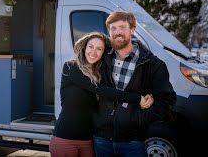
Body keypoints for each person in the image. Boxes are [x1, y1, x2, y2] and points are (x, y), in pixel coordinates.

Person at [49, 32, 154, 157]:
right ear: (84, 47)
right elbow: (102, 90)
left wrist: (150, 95)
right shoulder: (71, 67)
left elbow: (123, 86)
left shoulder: (101, 74)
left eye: (99, 49)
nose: (93, 52)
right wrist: (137, 99)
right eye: (91, 46)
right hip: (65, 139)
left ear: (104, 53)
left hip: (89, 141)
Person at [93, 11, 177, 157]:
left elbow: (167, 100)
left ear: (132, 30)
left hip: (133, 143)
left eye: (122, 27)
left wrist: (139, 120)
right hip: (101, 141)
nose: (117, 32)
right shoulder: (100, 60)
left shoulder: (153, 64)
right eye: (113, 28)